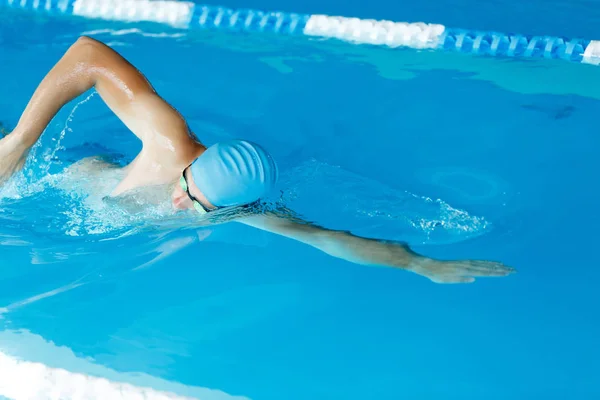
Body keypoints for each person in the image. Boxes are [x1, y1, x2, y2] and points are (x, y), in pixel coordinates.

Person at [0, 36, 514, 284]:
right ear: (189, 165)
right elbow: (87, 54)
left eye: (199, 209)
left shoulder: (244, 208)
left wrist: (420, 264)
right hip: (69, 176)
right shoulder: (169, 141)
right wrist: (21, 143)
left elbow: (326, 237)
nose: (180, 203)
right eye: (188, 189)